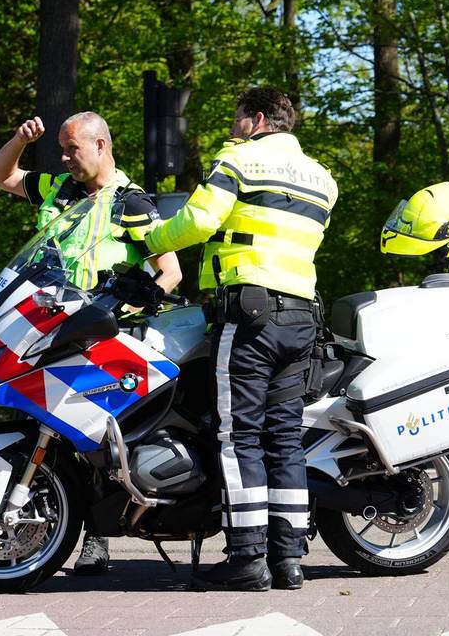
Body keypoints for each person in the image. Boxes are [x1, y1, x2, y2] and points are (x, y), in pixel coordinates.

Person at [144, 87, 338, 591]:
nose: (232, 128)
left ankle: (247, 559)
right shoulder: (322, 179)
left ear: (255, 120)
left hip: (250, 316)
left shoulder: (239, 160)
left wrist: (149, 239)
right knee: (285, 439)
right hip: (302, 319)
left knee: (239, 435)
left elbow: (200, 220)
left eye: (236, 119)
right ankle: (289, 560)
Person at [0, 111, 183, 576]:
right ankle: (30, 539)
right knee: (37, 429)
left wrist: (130, 307)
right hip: (46, 328)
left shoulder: (131, 202)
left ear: (100, 146)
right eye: (60, 148)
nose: (64, 157)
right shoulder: (59, 189)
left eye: (72, 148)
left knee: (93, 438)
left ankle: (96, 538)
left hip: (100, 335)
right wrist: (18, 139)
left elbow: (170, 271)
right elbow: (2, 176)